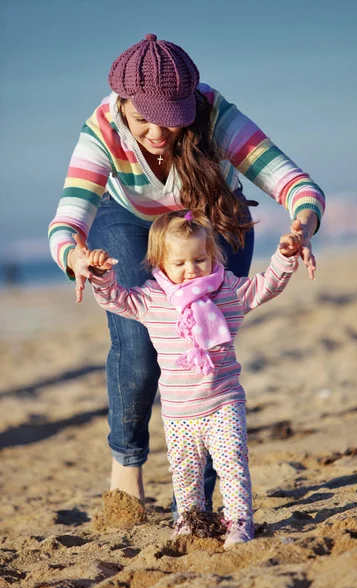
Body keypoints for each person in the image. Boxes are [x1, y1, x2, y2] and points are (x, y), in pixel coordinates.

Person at [48, 33, 325, 512]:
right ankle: (127, 465)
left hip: (211, 212)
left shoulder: (216, 116)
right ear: (122, 104)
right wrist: (73, 256)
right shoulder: (102, 130)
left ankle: (197, 502)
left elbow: (299, 185)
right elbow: (68, 220)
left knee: (209, 346)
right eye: (143, 121)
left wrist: (302, 225)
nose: (157, 133)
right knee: (137, 344)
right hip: (129, 216)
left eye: (171, 121)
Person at [81, 209, 300, 547]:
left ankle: (239, 524)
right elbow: (115, 299)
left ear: (212, 254)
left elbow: (265, 286)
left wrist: (284, 258)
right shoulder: (151, 299)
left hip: (224, 401)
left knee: (232, 467)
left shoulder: (228, 291)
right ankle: (189, 523)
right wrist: (100, 276)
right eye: (179, 263)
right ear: (160, 262)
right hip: (179, 412)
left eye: (199, 259)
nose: (190, 270)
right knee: (185, 476)